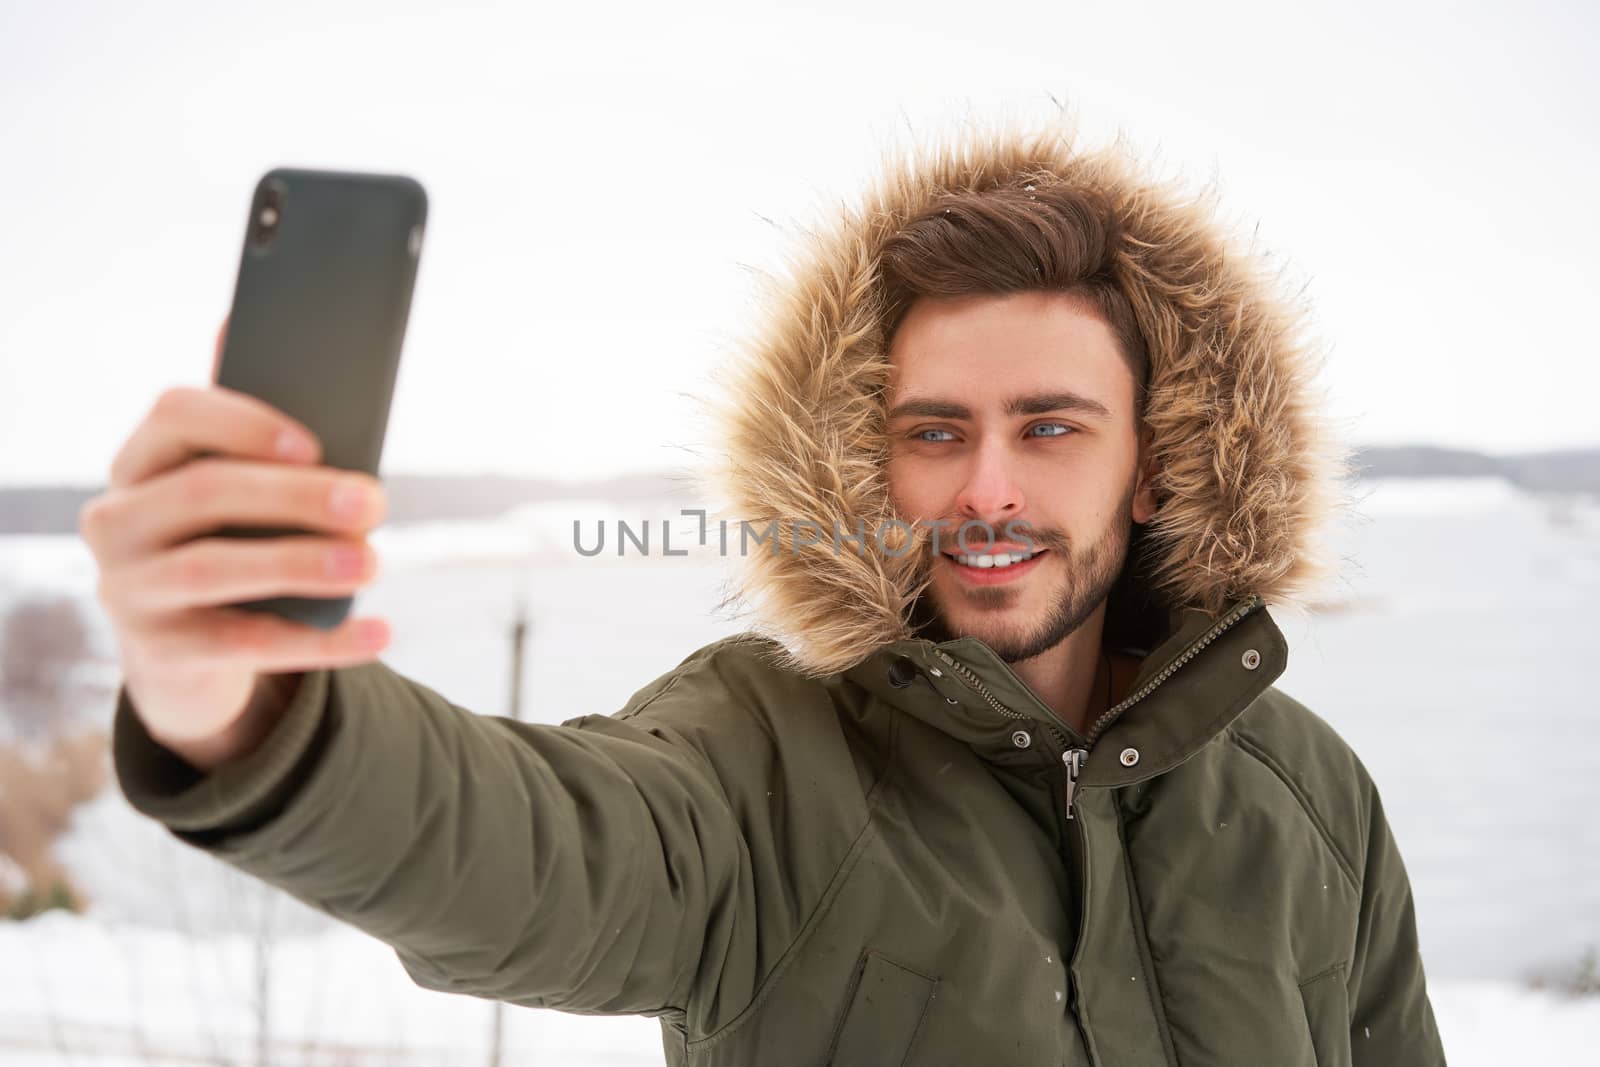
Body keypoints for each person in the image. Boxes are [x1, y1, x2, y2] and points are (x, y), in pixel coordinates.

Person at [82, 110, 1446, 1065]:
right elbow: (532, 855)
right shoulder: (762, 756)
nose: (984, 490)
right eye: (932, 433)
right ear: (868, 465)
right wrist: (253, 708)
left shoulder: (1313, 806)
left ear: (1157, 470)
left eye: (1049, 428)